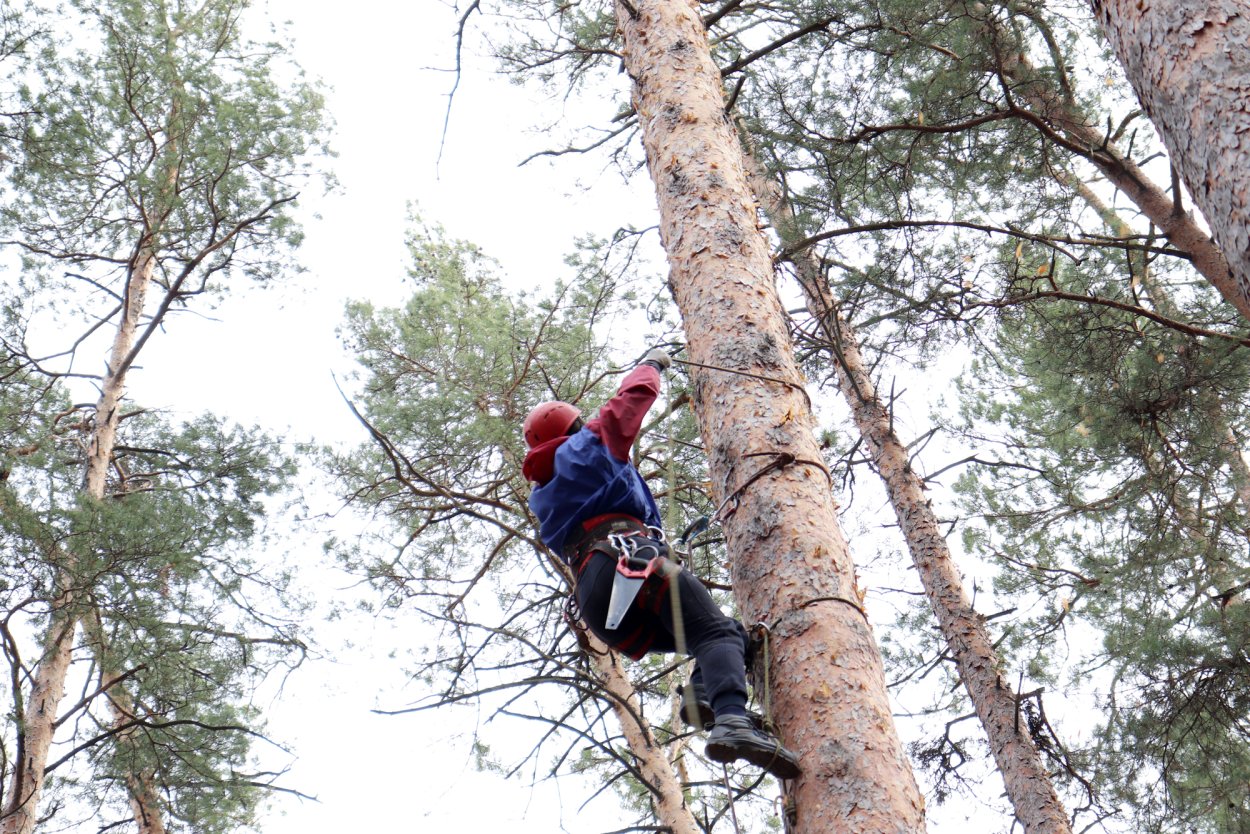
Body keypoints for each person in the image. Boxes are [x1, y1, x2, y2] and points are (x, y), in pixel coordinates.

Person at [522, 348, 801, 780]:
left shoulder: (546, 494)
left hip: (602, 603)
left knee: (723, 637)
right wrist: (651, 366)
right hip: (626, 561)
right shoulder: (584, 450)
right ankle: (732, 718)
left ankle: (702, 694)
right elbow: (626, 406)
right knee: (718, 631)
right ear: (573, 428)